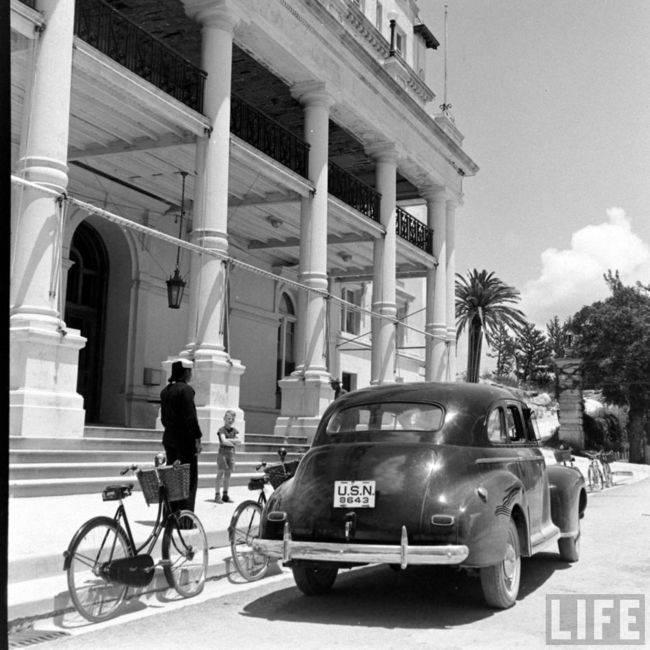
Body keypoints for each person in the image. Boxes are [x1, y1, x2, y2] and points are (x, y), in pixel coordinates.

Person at [160, 359, 202, 513]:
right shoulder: (186, 390)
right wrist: (197, 438)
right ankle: (185, 516)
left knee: (171, 478)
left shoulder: (165, 391)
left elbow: (164, 418)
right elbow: (190, 417)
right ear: (186, 372)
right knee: (188, 479)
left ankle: (170, 514)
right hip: (185, 441)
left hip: (169, 438)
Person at [215, 410, 240, 503]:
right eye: (228, 418)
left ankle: (225, 494)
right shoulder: (221, 430)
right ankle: (217, 495)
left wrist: (229, 441)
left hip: (231, 454)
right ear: (224, 419)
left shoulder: (234, 430)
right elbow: (223, 441)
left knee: (228, 475)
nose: (230, 420)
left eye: (232, 419)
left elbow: (239, 441)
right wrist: (233, 442)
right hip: (222, 454)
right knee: (220, 473)